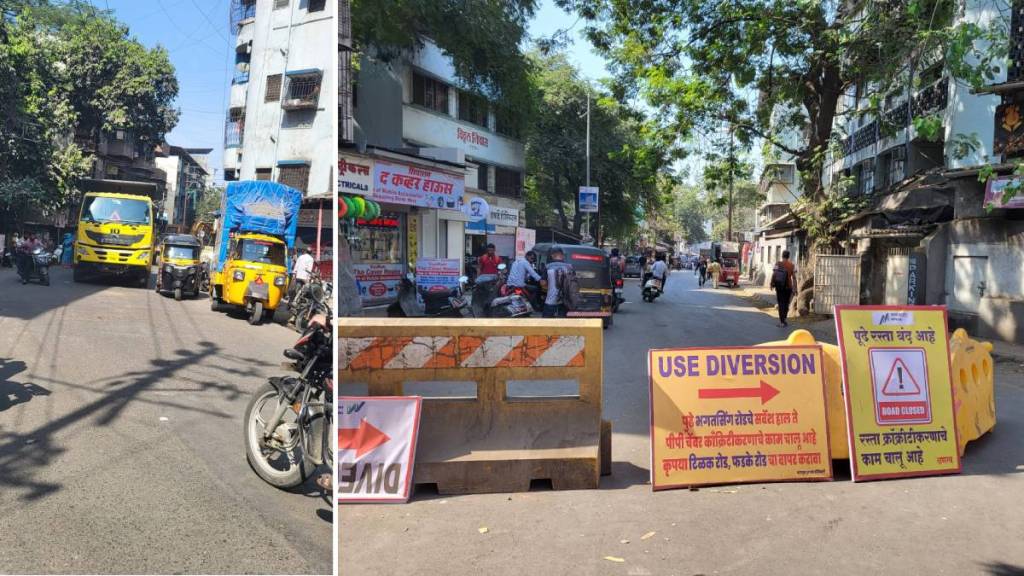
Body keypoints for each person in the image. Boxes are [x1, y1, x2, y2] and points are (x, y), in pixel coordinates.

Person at [542, 246, 572, 318]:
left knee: (546, 323)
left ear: (552, 256)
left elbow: (542, 283)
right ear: (562, 255)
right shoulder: (569, 267)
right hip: (565, 301)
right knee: (562, 323)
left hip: (551, 300)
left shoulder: (548, 267)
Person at [771, 250, 797, 327]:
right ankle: (784, 319)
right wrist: (795, 288)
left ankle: (782, 321)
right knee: (786, 303)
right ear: (788, 256)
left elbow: (774, 274)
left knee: (780, 303)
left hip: (779, 287)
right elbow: (794, 278)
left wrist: (772, 283)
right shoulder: (791, 265)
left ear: (782, 256)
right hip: (788, 287)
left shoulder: (777, 264)